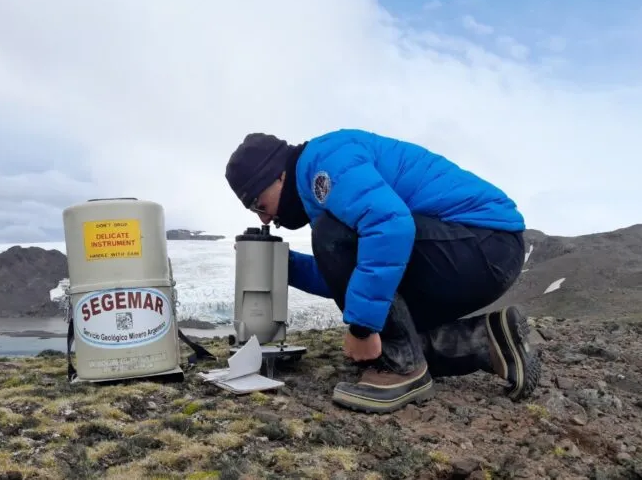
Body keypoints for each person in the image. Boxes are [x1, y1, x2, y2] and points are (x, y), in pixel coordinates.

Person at [224, 128, 541, 414]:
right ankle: (488, 340)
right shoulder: (322, 186)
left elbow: (390, 227)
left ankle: (403, 368)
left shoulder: (323, 163)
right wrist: (285, 266)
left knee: (333, 240)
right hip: (477, 251)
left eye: (259, 205)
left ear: (277, 176)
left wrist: (362, 327)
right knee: (384, 332)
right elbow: (355, 274)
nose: (264, 218)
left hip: (483, 243)